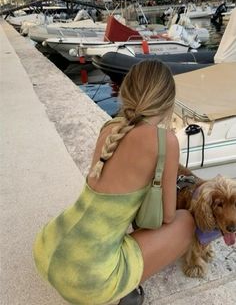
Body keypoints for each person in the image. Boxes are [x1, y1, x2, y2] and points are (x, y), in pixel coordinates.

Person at [33, 60, 195, 305]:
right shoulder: (166, 141)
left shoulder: (109, 128)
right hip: (87, 280)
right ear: (167, 103)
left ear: (125, 92)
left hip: (46, 246)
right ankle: (124, 290)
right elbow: (168, 218)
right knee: (186, 223)